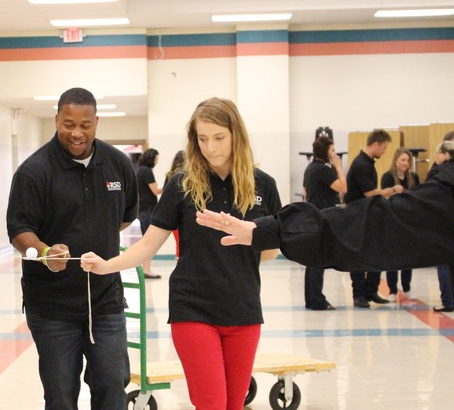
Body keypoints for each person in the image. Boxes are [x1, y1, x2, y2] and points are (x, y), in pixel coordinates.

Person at [81, 97, 282, 410]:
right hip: (193, 310)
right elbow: (149, 245)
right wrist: (108, 265)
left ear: (236, 136)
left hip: (244, 311)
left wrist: (249, 235)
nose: (210, 147)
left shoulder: (263, 186)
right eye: (202, 138)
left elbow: (271, 252)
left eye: (219, 138)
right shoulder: (183, 184)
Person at [6, 87, 138, 410]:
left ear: (97, 122)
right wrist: (44, 252)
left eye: (85, 125)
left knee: (111, 384)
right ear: (57, 120)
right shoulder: (34, 171)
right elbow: (18, 233)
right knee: (60, 392)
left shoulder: (118, 164)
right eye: (68, 124)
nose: (77, 133)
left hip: (104, 300)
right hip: (52, 307)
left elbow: (126, 216)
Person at [194, 155, 454, 272]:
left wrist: (270, 230)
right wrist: (270, 230)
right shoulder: (321, 170)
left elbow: (378, 224)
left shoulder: (312, 171)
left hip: (317, 222)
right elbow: (377, 225)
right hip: (318, 223)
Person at [344, 129, 397, 308]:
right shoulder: (361, 165)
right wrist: (389, 191)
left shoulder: (367, 163)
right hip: (357, 216)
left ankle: (371, 291)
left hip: (367, 215)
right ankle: (359, 294)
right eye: (383, 148)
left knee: (375, 252)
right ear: (375, 144)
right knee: (358, 256)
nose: (384, 152)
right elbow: (369, 193)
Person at [302, 135, 346, 310]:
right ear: (325, 152)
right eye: (333, 150)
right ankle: (316, 299)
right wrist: (339, 167)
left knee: (313, 261)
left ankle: (313, 298)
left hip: (313, 215)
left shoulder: (310, 168)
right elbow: (343, 187)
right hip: (322, 217)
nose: (335, 154)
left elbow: (304, 192)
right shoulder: (322, 169)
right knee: (318, 261)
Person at [380, 147, 419, 302]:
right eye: (402, 160)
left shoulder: (413, 177)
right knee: (393, 256)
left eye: (408, 161)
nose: (405, 163)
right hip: (392, 220)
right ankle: (392, 290)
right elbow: (384, 197)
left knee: (408, 256)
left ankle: (407, 288)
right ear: (396, 160)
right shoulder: (388, 177)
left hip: (408, 221)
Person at [427, 138, 454, 311]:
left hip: (443, 223)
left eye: (437, 153)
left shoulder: (438, 172)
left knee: (444, 263)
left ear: (444, 154)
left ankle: (448, 301)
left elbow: (427, 192)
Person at [136, 148, 163, 278]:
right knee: (149, 240)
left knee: (147, 239)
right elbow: (155, 191)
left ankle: (145, 268)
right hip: (148, 209)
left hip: (143, 209)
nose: (157, 162)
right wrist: (169, 186)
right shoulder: (146, 171)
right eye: (156, 159)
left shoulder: (140, 170)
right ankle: (146, 269)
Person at [165, 150, 186, 257]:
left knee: (179, 243)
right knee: (183, 243)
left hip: (173, 214)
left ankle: (179, 260)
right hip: (183, 214)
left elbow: (165, 195)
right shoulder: (184, 177)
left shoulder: (170, 176)